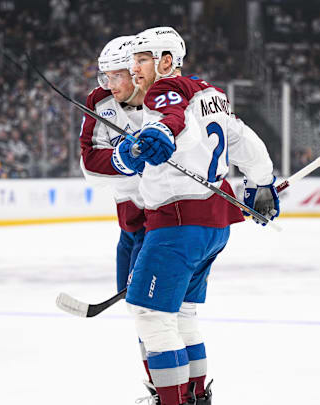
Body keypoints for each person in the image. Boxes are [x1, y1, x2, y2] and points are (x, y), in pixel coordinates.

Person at [113, 27, 280, 405]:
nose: (134, 68)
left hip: (177, 225)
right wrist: (262, 182)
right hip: (212, 226)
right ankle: (195, 397)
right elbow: (243, 140)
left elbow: (169, 117)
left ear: (166, 61)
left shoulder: (163, 90)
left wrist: (160, 133)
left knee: (152, 317)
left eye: (141, 59)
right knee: (183, 315)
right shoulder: (212, 94)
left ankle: (172, 401)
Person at [78, 35, 154, 380]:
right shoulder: (99, 102)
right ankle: (160, 385)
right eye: (104, 76)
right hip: (130, 226)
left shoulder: (167, 99)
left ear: (136, 72)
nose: (108, 84)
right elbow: (90, 166)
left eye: (116, 76)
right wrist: (125, 159)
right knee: (141, 312)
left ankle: (174, 389)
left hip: (164, 223)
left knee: (160, 313)